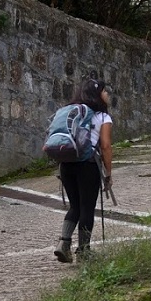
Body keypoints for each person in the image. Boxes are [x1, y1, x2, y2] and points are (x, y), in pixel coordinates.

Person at [54, 78, 113, 263]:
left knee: (75, 206)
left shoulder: (70, 111)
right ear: (98, 94)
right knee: (87, 207)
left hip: (66, 164)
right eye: (104, 91)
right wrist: (108, 173)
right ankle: (84, 251)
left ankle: (64, 244)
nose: (107, 94)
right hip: (88, 165)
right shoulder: (102, 117)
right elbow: (105, 146)